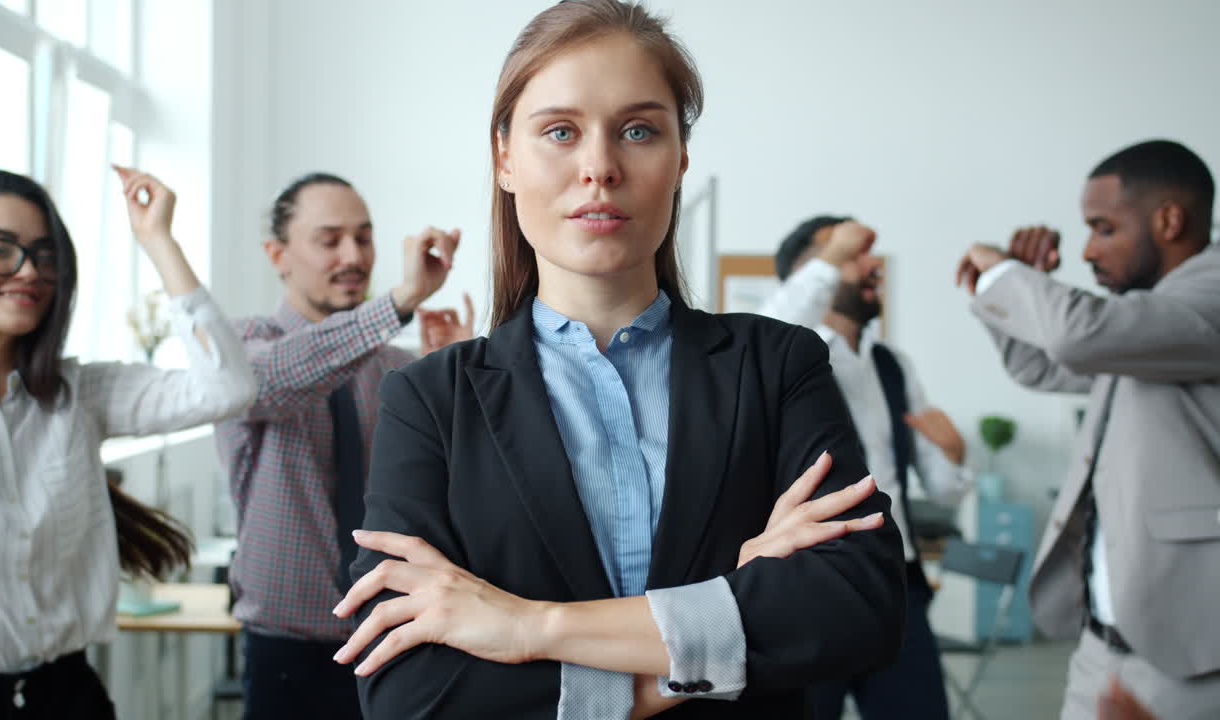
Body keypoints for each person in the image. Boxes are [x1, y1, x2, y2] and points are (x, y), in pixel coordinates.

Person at [329, 2, 907, 718]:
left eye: (638, 130)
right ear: (505, 157)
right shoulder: (429, 400)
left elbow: (856, 608)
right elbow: (407, 692)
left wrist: (526, 625)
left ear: (680, 161)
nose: (599, 167)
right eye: (561, 132)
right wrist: (725, 616)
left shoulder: (777, 364)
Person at [0, 167, 255, 718]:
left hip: (64, 695)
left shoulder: (80, 395)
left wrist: (158, 239)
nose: (29, 270)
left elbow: (227, 387)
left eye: (45, 253)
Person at [955, 139, 1220, 719]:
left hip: (1192, 657)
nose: (1088, 249)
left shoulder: (1208, 294)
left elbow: (1081, 334)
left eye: (1103, 228)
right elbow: (1042, 364)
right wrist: (1004, 288)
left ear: (1169, 220)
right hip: (1102, 646)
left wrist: (1002, 269)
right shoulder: (1144, 318)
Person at [214, 172, 468, 719]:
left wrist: (457, 377)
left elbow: (457, 490)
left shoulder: (401, 368)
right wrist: (401, 300)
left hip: (395, 637)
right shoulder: (244, 347)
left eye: (364, 237)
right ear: (277, 254)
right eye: (329, 241)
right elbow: (278, 381)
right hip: (287, 649)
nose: (353, 256)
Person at [759, 215, 974, 719]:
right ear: (813, 272)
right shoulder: (781, 353)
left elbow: (943, 491)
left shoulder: (894, 366)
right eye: (854, 255)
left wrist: (956, 457)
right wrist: (833, 257)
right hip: (810, 588)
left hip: (898, 588)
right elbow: (774, 329)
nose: (872, 264)